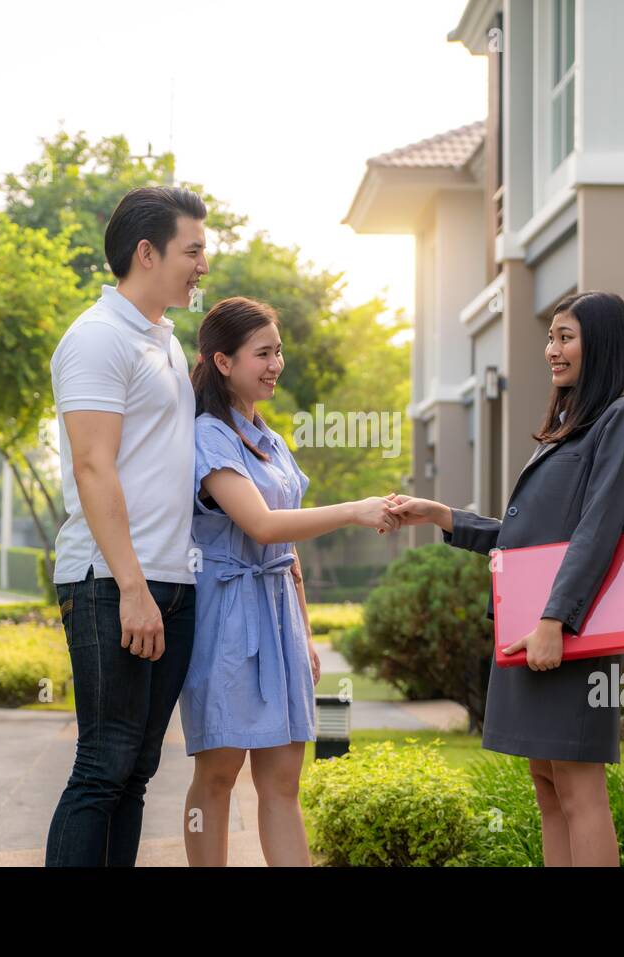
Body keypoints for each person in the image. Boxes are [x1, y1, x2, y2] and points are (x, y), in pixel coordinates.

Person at [385, 290, 624, 867]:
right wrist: (442, 515)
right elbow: (526, 537)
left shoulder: (623, 420)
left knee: (581, 791)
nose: (551, 349)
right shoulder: (567, 428)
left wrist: (555, 620)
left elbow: (598, 530)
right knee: (548, 786)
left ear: (600, 344)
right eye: (550, 336)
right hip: (531, 626)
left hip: (568, 630)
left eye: (565, 337)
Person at [181, 295, 399, 866]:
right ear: (223, 362)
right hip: (227, 616)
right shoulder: (209, 435)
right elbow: (260, 524)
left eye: (278, 351)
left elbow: (287, 549)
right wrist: (355, 509)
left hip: (277, 612)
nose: (276, 364)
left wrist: (303, 633)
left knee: (283, 781)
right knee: (219, 775)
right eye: (262, 353)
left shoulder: (270, 439)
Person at [45, 186, 209, 866]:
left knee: (135, 772)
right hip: (111, 581)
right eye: (192, 250)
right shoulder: (96, 338)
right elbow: (93, 467)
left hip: (170, 582)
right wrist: (134, 587)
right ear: (147, 252)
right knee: (103, 765)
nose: (203, 264)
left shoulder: (165, 341)